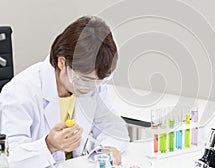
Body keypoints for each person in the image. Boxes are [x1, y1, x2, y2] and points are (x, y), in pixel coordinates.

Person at [0, 16, 129, 167]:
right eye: (85, 79)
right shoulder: (20, 92)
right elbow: (10, 158)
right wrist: (49, 145)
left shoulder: (92, 85)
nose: (91, 87)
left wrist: (110, 148)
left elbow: (112, 127)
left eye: (98, 81)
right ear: (62, 62)